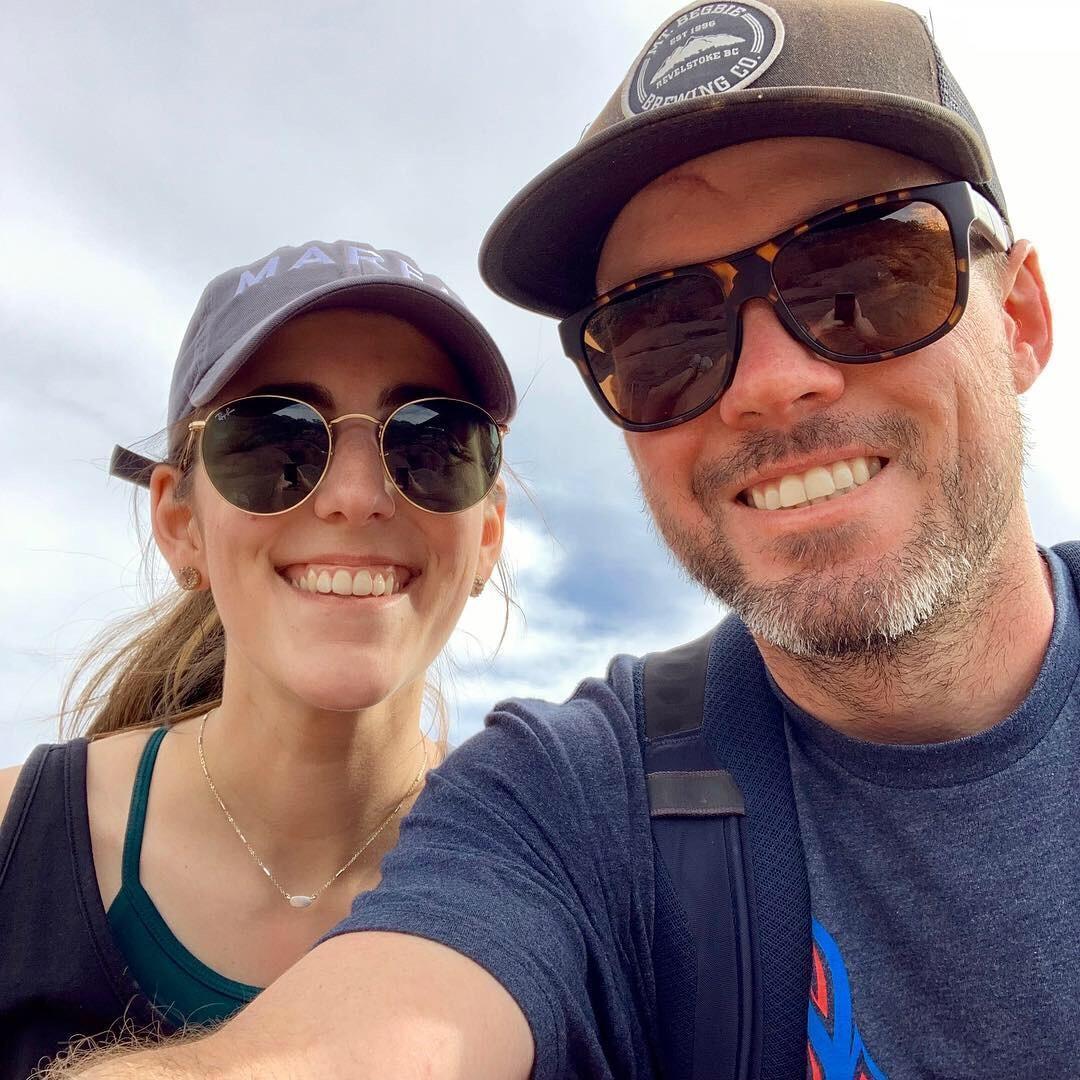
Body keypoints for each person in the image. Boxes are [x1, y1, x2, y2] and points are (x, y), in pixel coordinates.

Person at [39, 0, 1078, 1077]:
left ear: (1022, 319)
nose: (770, 383)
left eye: (864, 278)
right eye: (665, 334)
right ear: (178, 519)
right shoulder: (567, 802)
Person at [0, 240, 514, 1078]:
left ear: (487, 532)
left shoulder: (544, 873)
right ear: (180, 525)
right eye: (275, 440)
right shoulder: (13, 840)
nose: (356, 497)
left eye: (431, 442)